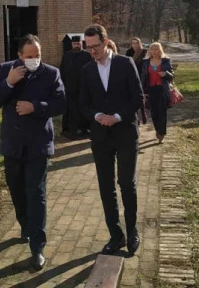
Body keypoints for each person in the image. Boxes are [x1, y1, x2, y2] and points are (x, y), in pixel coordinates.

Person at [0, 34, 66, 271]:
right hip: (13, 144)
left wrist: (35, 107)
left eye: (37, 55)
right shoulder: (5, 70)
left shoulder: (51, 73)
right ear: (19, 55)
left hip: (38, 144)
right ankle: (25, 224)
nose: (34, 60)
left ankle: (37, 247)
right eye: (29, 56)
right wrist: (9, 83)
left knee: (36, 193)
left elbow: (61, 104)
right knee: (17, 188)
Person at [80, 24, 144, 255]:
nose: (92, 51)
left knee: (126, 183)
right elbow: (83, 104)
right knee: (106, 187)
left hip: (125, 132)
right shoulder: (87, 70)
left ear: (106, 42)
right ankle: (116, 235)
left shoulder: (125, 64)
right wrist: (98, 116)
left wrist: (116, 116)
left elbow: (137, 98)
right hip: (101, 136)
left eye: (96, 46)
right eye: (88, 47)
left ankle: (132, 231)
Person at [59, 35, 93, 139]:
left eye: (78, 43)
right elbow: (62, 70)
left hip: (83, 88)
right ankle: (71, 130)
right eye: (74, 44)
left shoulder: (87, 55)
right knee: (71, 110)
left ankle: (84, 129)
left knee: (83, 110)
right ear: (71, 44)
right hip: (70, 89)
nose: (76, 45)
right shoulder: (67, 55)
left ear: (82, 43)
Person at [140, 42, 174, 143]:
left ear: (160, 50)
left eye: (156, 49)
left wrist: (166, 74)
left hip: (162, 89)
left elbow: (172, 76)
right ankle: (157, 130)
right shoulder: (146, 62)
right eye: (152, 49)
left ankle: (161, 133)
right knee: (154, 113)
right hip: (150, 90)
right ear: (150, 51)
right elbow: (142, 77)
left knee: (162, 112)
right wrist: (142, 90)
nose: (154, 51)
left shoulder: (165, 61)